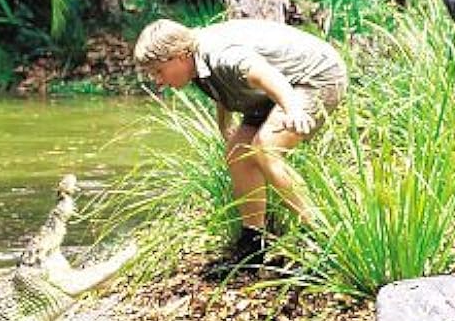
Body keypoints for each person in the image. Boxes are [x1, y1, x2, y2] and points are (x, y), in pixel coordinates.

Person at [133, 18, 348, 278]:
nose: (157, 81)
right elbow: (223, 87)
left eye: (158, 71)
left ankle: (324, 243)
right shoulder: (195, 60)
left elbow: (263, 74)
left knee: (266, 148)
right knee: (238, 152)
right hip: (279, 87)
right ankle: (252, 248)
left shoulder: (221, 55)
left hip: (315, 77)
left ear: (179, 56)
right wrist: (225, 126)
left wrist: (293, 109)